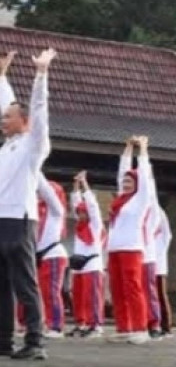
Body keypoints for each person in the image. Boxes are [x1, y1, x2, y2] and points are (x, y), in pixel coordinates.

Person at [0, 49, 55, 360]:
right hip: (0, 219)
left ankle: (35, 341)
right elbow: (7, 104)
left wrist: (41, 74)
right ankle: (3, 340)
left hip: (20, 222)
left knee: (25, 284)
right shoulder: (5, 149)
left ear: (24, 121)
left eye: (7, 117)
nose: (2, 121)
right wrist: (2, 77)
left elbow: (38, 110)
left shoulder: (34, 146)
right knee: (1, 286)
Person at [106, 136, 152, 345]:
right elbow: (121, 170)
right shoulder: (119, 200)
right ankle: (124, 327)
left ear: (137, 184)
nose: (125, 184)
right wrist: (127, 148)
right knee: (117, 289)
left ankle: (141, 328)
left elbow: (144, 174)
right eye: (124, 181)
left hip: (132, 248)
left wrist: (142, 149)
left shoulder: (141, 199)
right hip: (114, 248)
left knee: (133, 288)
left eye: (129, 181)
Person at [68, 170, 105, 338]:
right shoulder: (79, 226)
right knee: (78, 296)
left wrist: (84, 183)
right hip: (78, 265)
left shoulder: (95, 225)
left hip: (92, 264)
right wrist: (75, 185)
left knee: (92, 296)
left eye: (83, 212)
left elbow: (93, 206)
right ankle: (80, 323)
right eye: (79, 212)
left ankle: (95, 325)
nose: (81, 214)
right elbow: (75, 202)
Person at [35, 175, 69, 338]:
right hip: (39, 255)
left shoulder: (57, 211)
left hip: (53, 254)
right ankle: (39, 323)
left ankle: (56, 326)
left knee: (51, 292)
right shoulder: (37, 210)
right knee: (38, 292)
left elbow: (49, 194)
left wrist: (35, 169)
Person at [141, 168, 163, 340]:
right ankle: (139, 322)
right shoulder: (132, 213)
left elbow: (152, 198)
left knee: (149, 292)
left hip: (147, 258)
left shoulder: (152, 217)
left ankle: (154, 324)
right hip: (132, 256)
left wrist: (148, 176)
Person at [154, 202, 173, 338]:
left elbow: (168, 235)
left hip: (158, 262)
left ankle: (165, 327)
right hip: (146, 261)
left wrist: (161, 253)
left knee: (160, 295)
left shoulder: (159, 213)